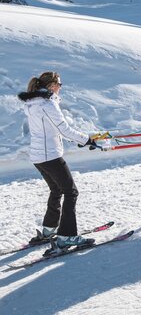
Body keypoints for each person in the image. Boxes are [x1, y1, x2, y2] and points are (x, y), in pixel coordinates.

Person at [18, 71, 97, 252]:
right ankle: (67, 237)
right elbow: (64, 130)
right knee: (71, 192)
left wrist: (79, 140)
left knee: (57, 189)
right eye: (59, 84)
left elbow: (52, 130)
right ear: (52, 85)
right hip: (50, 156)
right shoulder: (48, 104)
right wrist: (87, 140)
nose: (60, 87)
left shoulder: (33, 103)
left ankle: (49, 230)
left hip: (38, 157)